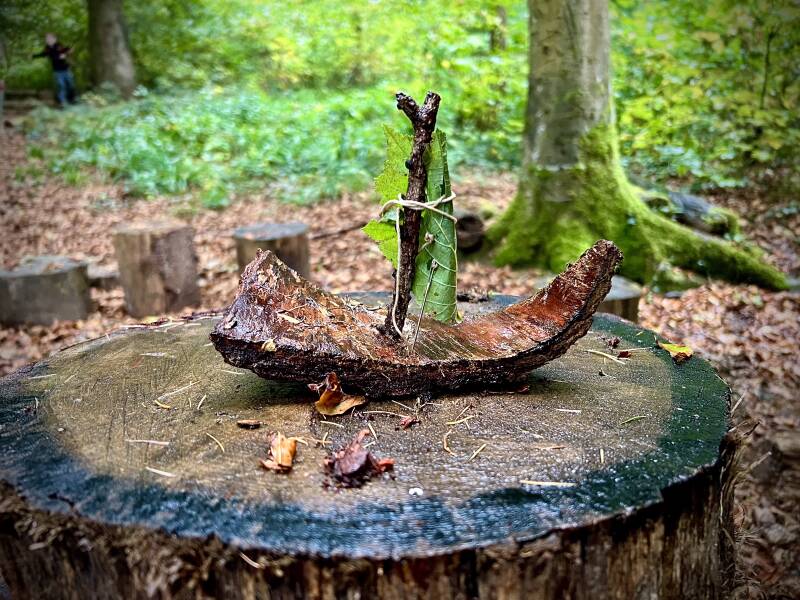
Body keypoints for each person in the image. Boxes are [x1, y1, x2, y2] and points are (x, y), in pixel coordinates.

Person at [32, 33, 76, 107]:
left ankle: (71, 100)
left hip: (66, 69)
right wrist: (33, 56)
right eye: (47, 39)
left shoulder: (59, 45)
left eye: (50, 39)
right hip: (57, 71)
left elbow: (66, 50)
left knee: (71, 85)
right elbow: (42, 54)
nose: (48, 40)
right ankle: (63, 102)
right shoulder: (47, 49)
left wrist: (68, 52)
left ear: (54, 39)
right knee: (61, 86)